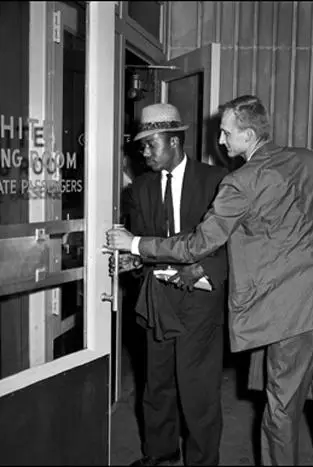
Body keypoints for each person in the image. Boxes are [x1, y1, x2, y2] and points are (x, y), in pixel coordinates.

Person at [106, 95, 313, 466]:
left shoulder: (237, 181)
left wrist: (136, 243)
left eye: (226, 133)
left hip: (285, 313)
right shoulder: (309, 159)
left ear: (249, 134)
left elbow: (200, 243)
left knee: (279, 412)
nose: (219, 142)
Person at [114, 103, 228, 466]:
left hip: (200, 297)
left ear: (176, 142)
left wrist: (203, 268)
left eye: (151, 143)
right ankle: (160, 452)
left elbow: (233, 239)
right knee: (157, 383)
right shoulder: (141, 188)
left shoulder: (216, 181)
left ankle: (201, 460)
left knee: (198, 390)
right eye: (142, 145)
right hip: (156, 297)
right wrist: (132, 261)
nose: (144, 152)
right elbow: (142, 242)